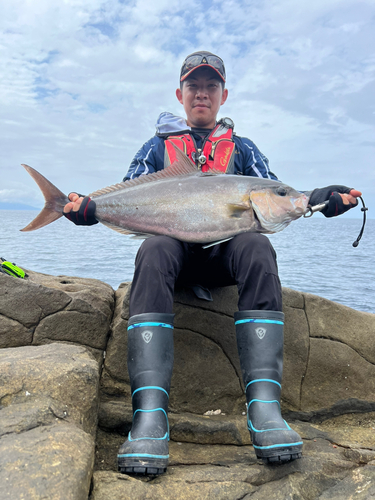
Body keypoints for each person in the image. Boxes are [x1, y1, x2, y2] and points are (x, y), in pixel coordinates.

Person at [63, 51, 361, 475]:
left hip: (225, 262)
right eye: (193, 86)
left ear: (223, 95)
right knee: (153, 249)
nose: (202, 93)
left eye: (210, 86)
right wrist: (88, 208)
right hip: (173, 262)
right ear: (180, 94)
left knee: (257, 247)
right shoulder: (156, 148)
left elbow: (276, 191)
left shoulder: (243, 149)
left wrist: (315, 199)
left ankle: (265, 410)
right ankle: (150, 415)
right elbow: (126, 193)